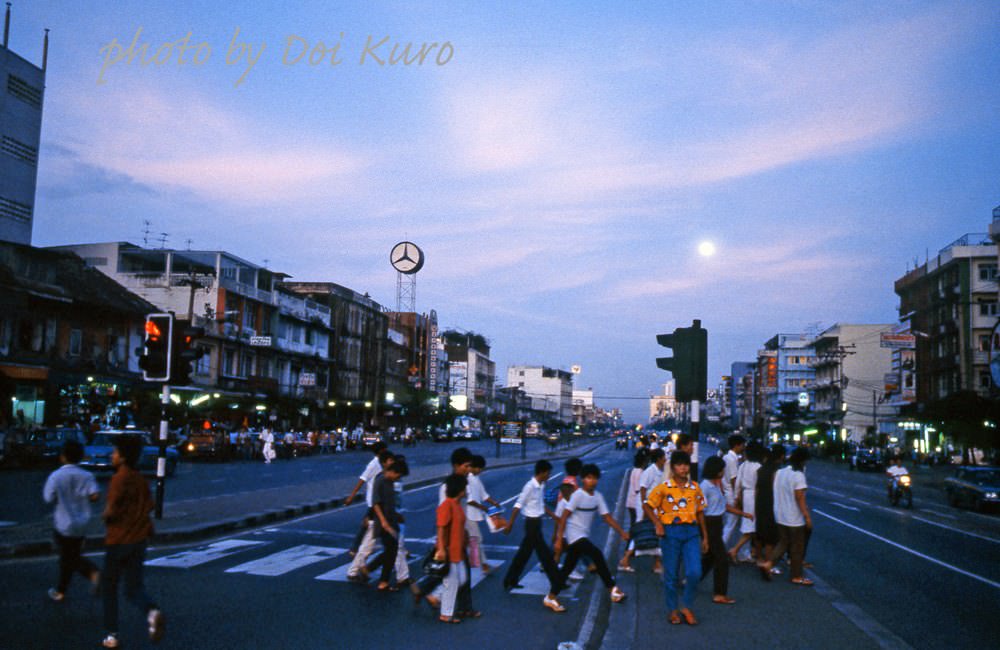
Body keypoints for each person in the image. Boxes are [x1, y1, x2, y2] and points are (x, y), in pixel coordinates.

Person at [100, 434, 164, 648]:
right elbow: (150, 506)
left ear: (123, 457)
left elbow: (110, 510)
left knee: (109, 587)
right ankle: (152, 611)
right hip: (139, 540)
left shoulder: (119, 478)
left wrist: (106, 517)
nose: (112, 455)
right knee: (133, 588)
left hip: (118, 540)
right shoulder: (140, 479)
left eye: (115, 452)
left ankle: (112, 635)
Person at [644, 451, 708, 626]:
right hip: (670, 533)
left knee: (695, 572)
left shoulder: (695, 487)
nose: (683, 468)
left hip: (691, 533)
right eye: (679, 464)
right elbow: (648, 505)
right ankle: (673, 609)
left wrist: (705, 537)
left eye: (686, 464)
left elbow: (700, 512)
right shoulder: (664, 487)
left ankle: (686, 606)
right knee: (671, 574)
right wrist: (657, 523)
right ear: (672, 468)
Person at [552, 464, 628, 604]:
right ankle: (612, 589)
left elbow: (607, 517)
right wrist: (558, 539)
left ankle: (551, 597)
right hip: (574, 535)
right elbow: (564, 517)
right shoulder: (577, 495)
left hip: (583, 535)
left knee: (567, 568)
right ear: (582, 479)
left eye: (594, 478)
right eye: (588, 478)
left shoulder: (598, 497)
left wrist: (621, 532)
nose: (592, 481)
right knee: (597, 554)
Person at [503, 460, 565, 613]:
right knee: (545, 555)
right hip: (531, 524)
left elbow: (541, 505)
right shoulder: (529, 486)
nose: (549, 476)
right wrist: (510, 524)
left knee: (524, 554)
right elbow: (518, 505)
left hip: (537, 523)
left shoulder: (541, 486)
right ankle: (557, 581)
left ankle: (510, 580)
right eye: (548, 473)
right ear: (542, 472)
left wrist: (554, 516)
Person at [43, 439, 101, 602]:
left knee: (68, 557)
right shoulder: (87, 475)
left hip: (63, 524)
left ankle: (93, 573)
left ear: (63, 457)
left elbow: (48, 498)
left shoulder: (56, 476)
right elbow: (95, 496)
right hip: (82, 523)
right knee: (69, 556)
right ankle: (61, 591)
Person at [700, 456, 752, 605]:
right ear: (716, 470)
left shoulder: (716, 485)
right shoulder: (705, 487)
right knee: (722, 560)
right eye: (722, 469)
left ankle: (691, 580)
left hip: (717, 523)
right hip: (709, 525)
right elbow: (700, 512)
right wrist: (704, 536)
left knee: (710, 558)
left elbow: (724, 506)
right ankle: (719, 594)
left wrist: (743, 514)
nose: (724, 471)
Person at [761, 447, 812, 586]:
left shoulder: (779, 472)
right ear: (803, 461)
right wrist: (807, 516)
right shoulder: (798, 476)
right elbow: (799, 498)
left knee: (783, 543)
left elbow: (774, 489)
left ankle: (768, 563)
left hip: (779, 514)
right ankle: (796, 576)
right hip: (794, 518)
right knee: (797, 548)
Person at [347, 449, 394, 580]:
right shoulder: (380, 478)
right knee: (367, 546)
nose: (392, 462)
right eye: (390, 460)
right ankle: (353, 571)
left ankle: (357, 569)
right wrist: (370, 515)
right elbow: (375, 500)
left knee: (370, 545)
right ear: (384, 462)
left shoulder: (386, 477)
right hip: (377, 518)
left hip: (382, 518)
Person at [370, 456, 408, 591]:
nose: (398, 478)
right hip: (383, 522)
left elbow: (391, 504)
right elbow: (375, 503)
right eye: (398, 475)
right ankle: (382, 581)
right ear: (393, 471)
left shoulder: (390, 482)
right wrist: (384, 523)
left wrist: (397, 517)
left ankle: (381, 578)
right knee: (391, 551)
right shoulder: (380, 480)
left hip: (392, 521)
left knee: (391, 551)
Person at [435, 474, 469, 624]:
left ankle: (436, 595)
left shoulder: (458, 505)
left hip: (458, 550)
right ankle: (446, 613)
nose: (467, 490)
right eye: (465, 487)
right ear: (460, 490)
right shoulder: (447, 505)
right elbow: (441, 528)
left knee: (462, 579)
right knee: (452, 582)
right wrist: (441, 549)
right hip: (449, 551)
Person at [729, 442, 764, 563]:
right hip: (754, 496)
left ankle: (751, 552)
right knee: (751, 527)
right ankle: (735, 550)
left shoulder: (744, 465)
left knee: (749, 526)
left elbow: (738, 484)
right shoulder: (759, 467)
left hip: (746, 495)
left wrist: (736, 497)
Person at [466, 455, 501, 572]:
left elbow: (483, 495)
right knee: (477, 538)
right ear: (473, 467)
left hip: (473, 514)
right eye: (478, 468)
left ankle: (478, 563)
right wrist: (484, 507)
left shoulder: (476, 478)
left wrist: (494, 502)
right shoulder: (468, 479)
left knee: (472, 539)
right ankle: (483, 565)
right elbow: (470, 500)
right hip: (467, 514)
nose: (480, 471)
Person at [755, 444, 784, 579]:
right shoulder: (775, 471)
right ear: (781, 456)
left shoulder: (761, 469)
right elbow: (775, 489)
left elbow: (757, 488)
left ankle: (760, 559)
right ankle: (768, 563)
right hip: (771, 503)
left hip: (760, 502)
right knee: (770, 536)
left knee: (760, 531)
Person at [617, 450, 648, 572]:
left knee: (633, 526)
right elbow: (638, 490)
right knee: (635, 527)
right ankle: (628, 551)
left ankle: (631, 549)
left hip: (631, 503)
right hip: (635, 503)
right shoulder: (639, 472)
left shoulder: (634, 470)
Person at [638, 448, 667, 574]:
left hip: (657, 508)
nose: (665, 460)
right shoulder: (650, 471)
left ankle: (657, 562)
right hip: (650, 507)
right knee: (647, 533)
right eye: (664, 458)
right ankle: (656, 563)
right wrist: (645, 507)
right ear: (659, 459)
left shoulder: (661, 471)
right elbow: (643, 490)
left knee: (654, 534)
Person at [721, 435, 746, 554]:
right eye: (742, 445)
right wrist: (738, 497)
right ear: (736, 445)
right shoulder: (731, 459)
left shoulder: (727, 457)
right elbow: (734, 480)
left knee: (728, 524)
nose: (743, 447)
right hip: (731, 494)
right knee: (730, 525)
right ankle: (718, 550)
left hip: (726, 493)